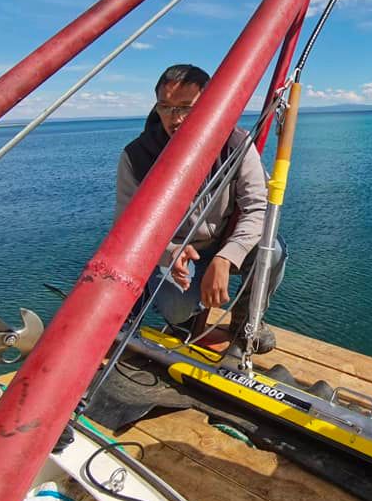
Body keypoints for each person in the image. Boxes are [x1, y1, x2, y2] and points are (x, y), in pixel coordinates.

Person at [115, 63, 286, 353]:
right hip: (174, 252)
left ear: (209, 105)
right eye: (165, 107)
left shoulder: (237, 143)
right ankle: (177, 316)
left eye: (186, 107)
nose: (175, 118)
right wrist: (168, 252)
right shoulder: (136, 156)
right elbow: (127, 227)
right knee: (179, 308)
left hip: (221, 242)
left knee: (273, 252)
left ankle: (245, 322)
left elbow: (257, 207)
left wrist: (227, 257)